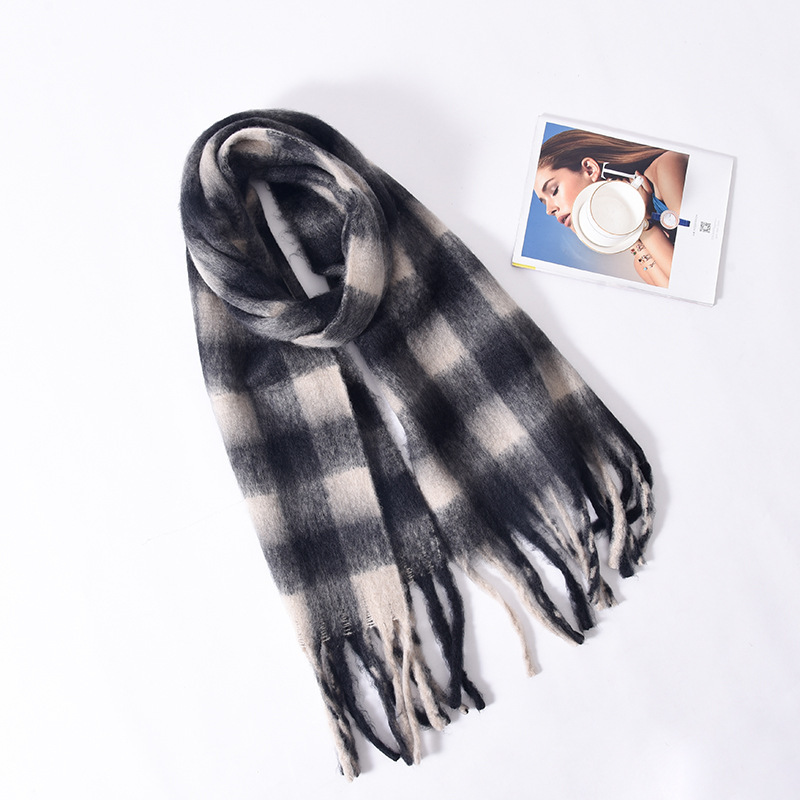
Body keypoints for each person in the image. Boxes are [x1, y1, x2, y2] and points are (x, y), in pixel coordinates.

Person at [533, 129, 688, 287]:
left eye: (554, 190)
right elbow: (683, 290)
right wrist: (637, 229)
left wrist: (645, 224)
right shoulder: (641, 259)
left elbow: (689, 278)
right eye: (544, 203)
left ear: (590, 169)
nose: (549, 211)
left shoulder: (667, 167)